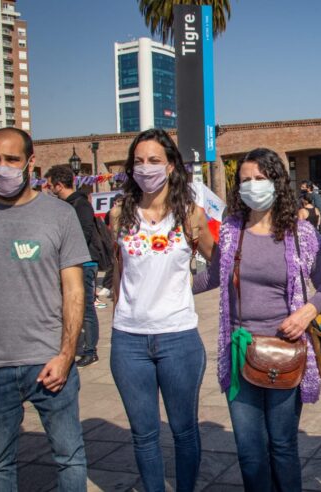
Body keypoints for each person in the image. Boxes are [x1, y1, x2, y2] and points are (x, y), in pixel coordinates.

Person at [192, 147, 321, 491]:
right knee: (249, 451)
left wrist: (308, 310)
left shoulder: (301, 234)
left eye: (260, 178)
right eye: (246, 180)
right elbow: (214, 276)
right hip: (240, 349)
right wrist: (170, 290)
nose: (253, 186)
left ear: (277, 182)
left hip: (286, 351)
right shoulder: (231, 231)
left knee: (283, 445)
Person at [0, 127, 89, 490]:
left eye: (12, 159)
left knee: (70, 456)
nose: (2, 168)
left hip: (47, 361)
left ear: (31, 162)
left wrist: (66, 354)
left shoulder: (60, 215)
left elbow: (74, 290)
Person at [109, 128, 214, 492]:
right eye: (138, 161)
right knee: (143, 434)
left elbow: (218, 267)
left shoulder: (191, 215)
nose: (145, 168)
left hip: (178, 339)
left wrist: (189, 287)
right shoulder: (120, 213)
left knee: (185, 431)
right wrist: (116, 317)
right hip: (129, 342)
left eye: (154, 160)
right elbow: (119, 272)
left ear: (171, 166)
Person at [44, 164, 104, 368]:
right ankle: (75, 346)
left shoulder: (80, 204)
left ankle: (90, 350)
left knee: (86, 307)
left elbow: (85, 233)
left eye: (50, 185)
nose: (49, 189)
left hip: (84, 263)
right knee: (70, 306)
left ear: (59, 185)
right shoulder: (66, 205)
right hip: (69, 264)